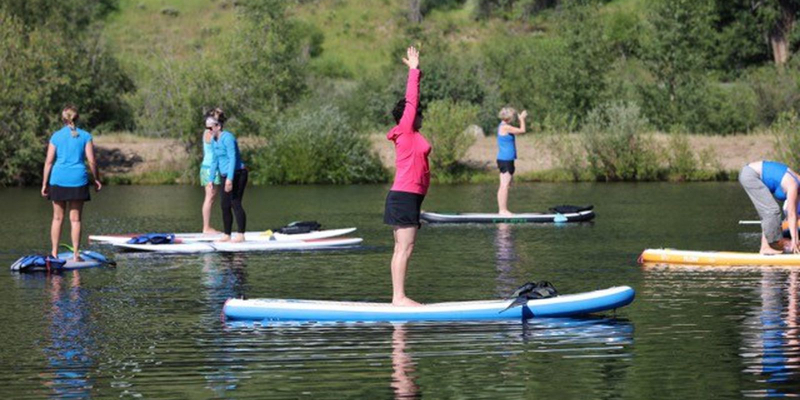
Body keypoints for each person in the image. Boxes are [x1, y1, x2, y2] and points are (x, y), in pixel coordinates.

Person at [384, 46, 430, 307]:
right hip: (404, 196)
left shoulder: (410, 134)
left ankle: (397, 297)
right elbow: (411, 100)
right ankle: (399, 297)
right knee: (405, 248)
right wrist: (414, 71)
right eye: (418, 113)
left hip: (408, 197)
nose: (421, 115)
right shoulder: (406, 129)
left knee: (401, 249)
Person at [41, 105, 102, 260]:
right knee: (75, 219)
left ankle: (54, 253)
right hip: (78, 180)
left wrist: (44, 183)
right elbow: (92, 161)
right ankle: (76, 254)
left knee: (57, 218)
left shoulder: (56, 136)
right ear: (78, 118)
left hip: (58, 179)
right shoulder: (86, 136)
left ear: (63, 119)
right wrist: (96, 179)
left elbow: (48, 162)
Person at [739, 160, 800, 254]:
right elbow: (792, 215)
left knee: (769, 212)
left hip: (750, 173)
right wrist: (795, 240)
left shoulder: (796, 183)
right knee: (772, 210)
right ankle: (766, 247)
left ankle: (765, 247)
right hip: (751, 175)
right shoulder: (794, 185)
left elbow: (793, 212)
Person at [206, 112, 247, 243]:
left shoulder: (228, 138)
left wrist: (230, 179)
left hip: (238, 173)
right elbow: (214, 160)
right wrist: (211, 179)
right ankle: (227, 234)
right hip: (225, 175)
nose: (208, 131)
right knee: (224, 205)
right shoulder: (213, 140)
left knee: (235, 203)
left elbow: (232, 158)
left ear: (218, 126)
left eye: (210, 128)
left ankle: (241, 234)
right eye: (207, 128)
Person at [496, 107, 527, 215]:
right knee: (504, 185)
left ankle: (502, 210)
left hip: (506, 160)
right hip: (505, 160)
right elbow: (522, 130)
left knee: (506, 185)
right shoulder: (505, 127)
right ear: (509, 117)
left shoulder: (503, 126)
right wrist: (522, 118)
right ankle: (503, 210)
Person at [200, 109, 223, 234]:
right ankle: (206, 228)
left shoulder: (210, 131)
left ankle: (207, 227)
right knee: (209, 197)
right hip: (210, 167)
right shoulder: (209, 132)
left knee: (211, 198)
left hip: (209, 167)